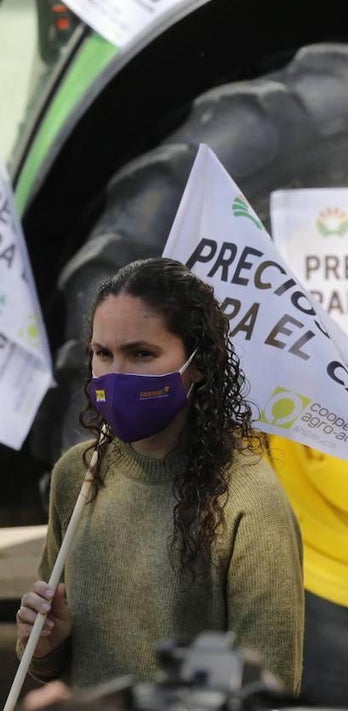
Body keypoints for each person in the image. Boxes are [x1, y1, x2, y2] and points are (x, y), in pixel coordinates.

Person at [14, 258, 304, 692]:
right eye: (102, 353)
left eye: (141, 354)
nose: (115, 375)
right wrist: (44, 643)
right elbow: (49, 664)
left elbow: (269, 687)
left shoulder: (249, 497)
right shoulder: (77, 474)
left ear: (199, 363)